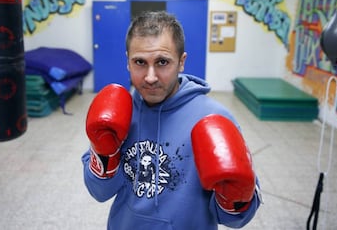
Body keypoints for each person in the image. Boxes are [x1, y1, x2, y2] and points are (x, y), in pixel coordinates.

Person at [82, 11, 262, 229]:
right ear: (128, 62)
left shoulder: (214, 118)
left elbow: (235, 219)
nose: (150, 77)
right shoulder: (117, 113)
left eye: (162, 62)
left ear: (181, 62)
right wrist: (104, 154)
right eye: (140, 62)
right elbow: (100, 192)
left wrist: (232, 198)